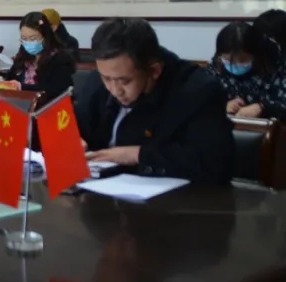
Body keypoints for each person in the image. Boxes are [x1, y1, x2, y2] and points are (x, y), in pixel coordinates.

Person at [75, 18, 234, 183]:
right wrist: (71, 140)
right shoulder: (97, 82)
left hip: (172, 196)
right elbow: (76, 125)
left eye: (125, 81)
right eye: (106, 78)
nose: (115, 90)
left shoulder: (197, 91)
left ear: (154, 71)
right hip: (95, 189)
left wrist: (137, 154)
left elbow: (215, 164)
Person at [207, 21, 286, 120]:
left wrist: (262, 107)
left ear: (256, 55)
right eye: (227, 59)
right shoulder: (216, 68)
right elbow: (202, 101)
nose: (234, 65)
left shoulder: (274, 67)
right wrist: (222, 106)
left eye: (242, 60)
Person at [0, 12, 76, 100]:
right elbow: (11, 77)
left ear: (46, 37)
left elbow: (55, 90)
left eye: (33, 39)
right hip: (18, 103)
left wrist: (22, 87)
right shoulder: (23, 55)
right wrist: (1, 82)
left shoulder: (61, 58)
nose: (28, 43)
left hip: (47, 105)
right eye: (24, 38)